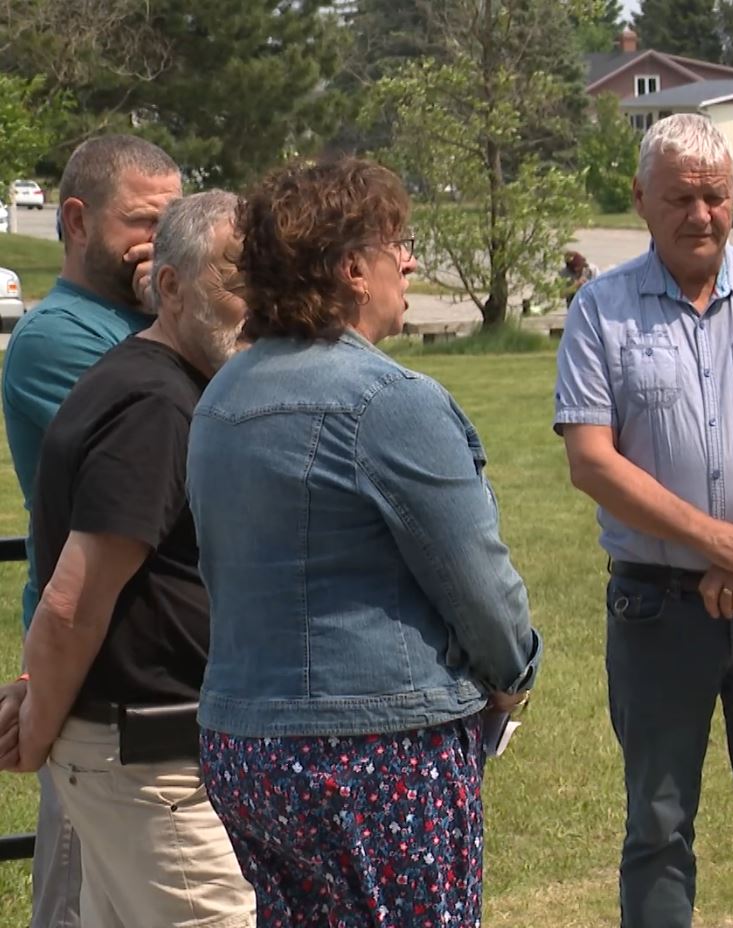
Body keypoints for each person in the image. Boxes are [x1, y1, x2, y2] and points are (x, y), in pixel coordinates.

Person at [188, 157, 542, 927]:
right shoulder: (389, 402)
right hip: (370, 754)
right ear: (353, 268)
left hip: (245, 747)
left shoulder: (223, 394)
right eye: (397, 245)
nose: (410, 261)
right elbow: (482, 588)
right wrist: (516, 678)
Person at [554, 113, 733, 928]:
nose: (702, 215)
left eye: (717, 197)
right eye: (681, 198)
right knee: (656, 826)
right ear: (641, 201)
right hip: (656, 606)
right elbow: (592, 461)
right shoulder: (601, 312)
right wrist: (715, 541)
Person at [5, 191, 254, 927]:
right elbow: (72, 601)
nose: (254, 303)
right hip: (150, 766)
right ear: (170, 287)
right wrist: (40, 728)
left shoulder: (155, 383)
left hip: (139, 758)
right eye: (232, 280)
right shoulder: (154, 404)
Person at [0, 133, 181, 928]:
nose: (160, 244)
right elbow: (187, 445)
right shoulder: (62, 338)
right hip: (92, 677)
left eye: (174, 224)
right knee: (76, 905)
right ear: (75, 221)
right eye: (142, 223)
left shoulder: (142, 327)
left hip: (141, 668)